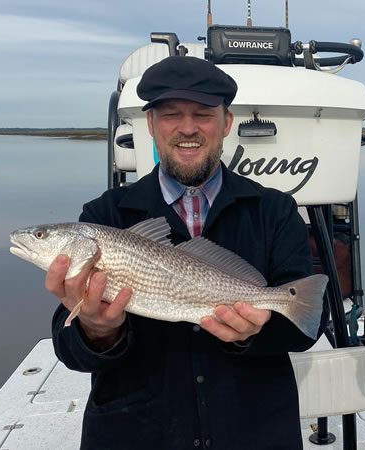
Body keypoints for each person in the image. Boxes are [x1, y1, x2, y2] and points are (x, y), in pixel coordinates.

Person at [46, 56, 328, 449]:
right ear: (150, 124)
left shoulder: (276, 210)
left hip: (252, 433)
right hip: (137, 434)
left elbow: (305, 325)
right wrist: (96, 331)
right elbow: (69, 348)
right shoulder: (104, 216)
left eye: (203, 114)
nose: (188, 128)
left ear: (226, 122)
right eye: (171, 114)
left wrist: (252, 333)